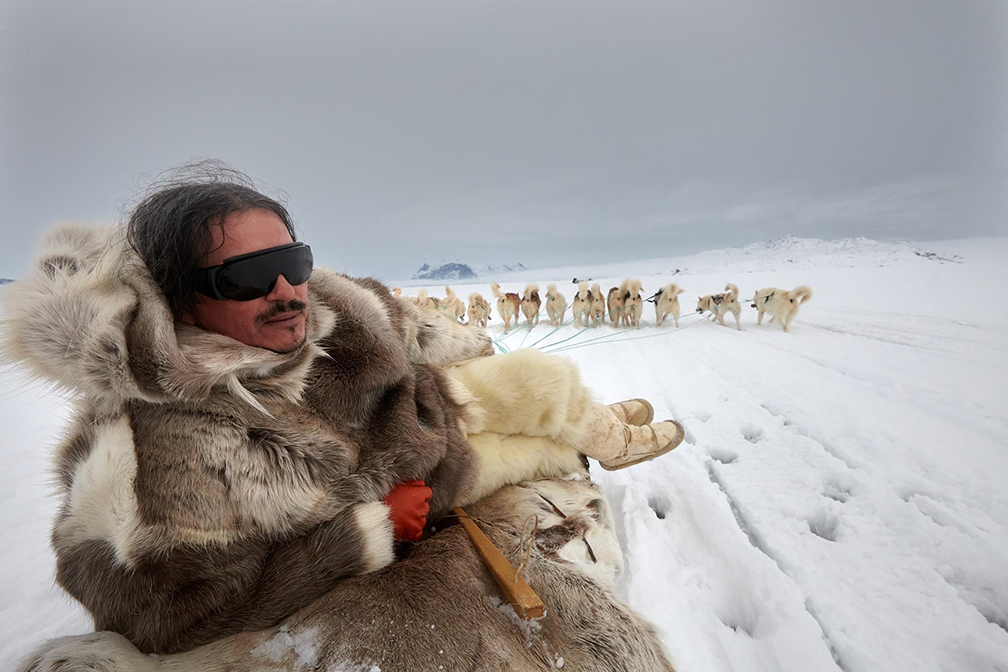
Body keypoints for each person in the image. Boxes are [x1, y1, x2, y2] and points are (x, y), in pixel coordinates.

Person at [2, 164, 683, 655]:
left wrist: (475, 344)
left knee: (535, 376)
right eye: (243, 277)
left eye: (291, 260)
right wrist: (369, 529)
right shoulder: (168, 447)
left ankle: (597, 425)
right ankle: (595, 436)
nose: (285, 289)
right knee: (545, 445)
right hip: (408, 484)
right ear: (180, 300)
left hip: (425, 420)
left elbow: (411, 324)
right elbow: (164, 617)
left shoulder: (321, 301)